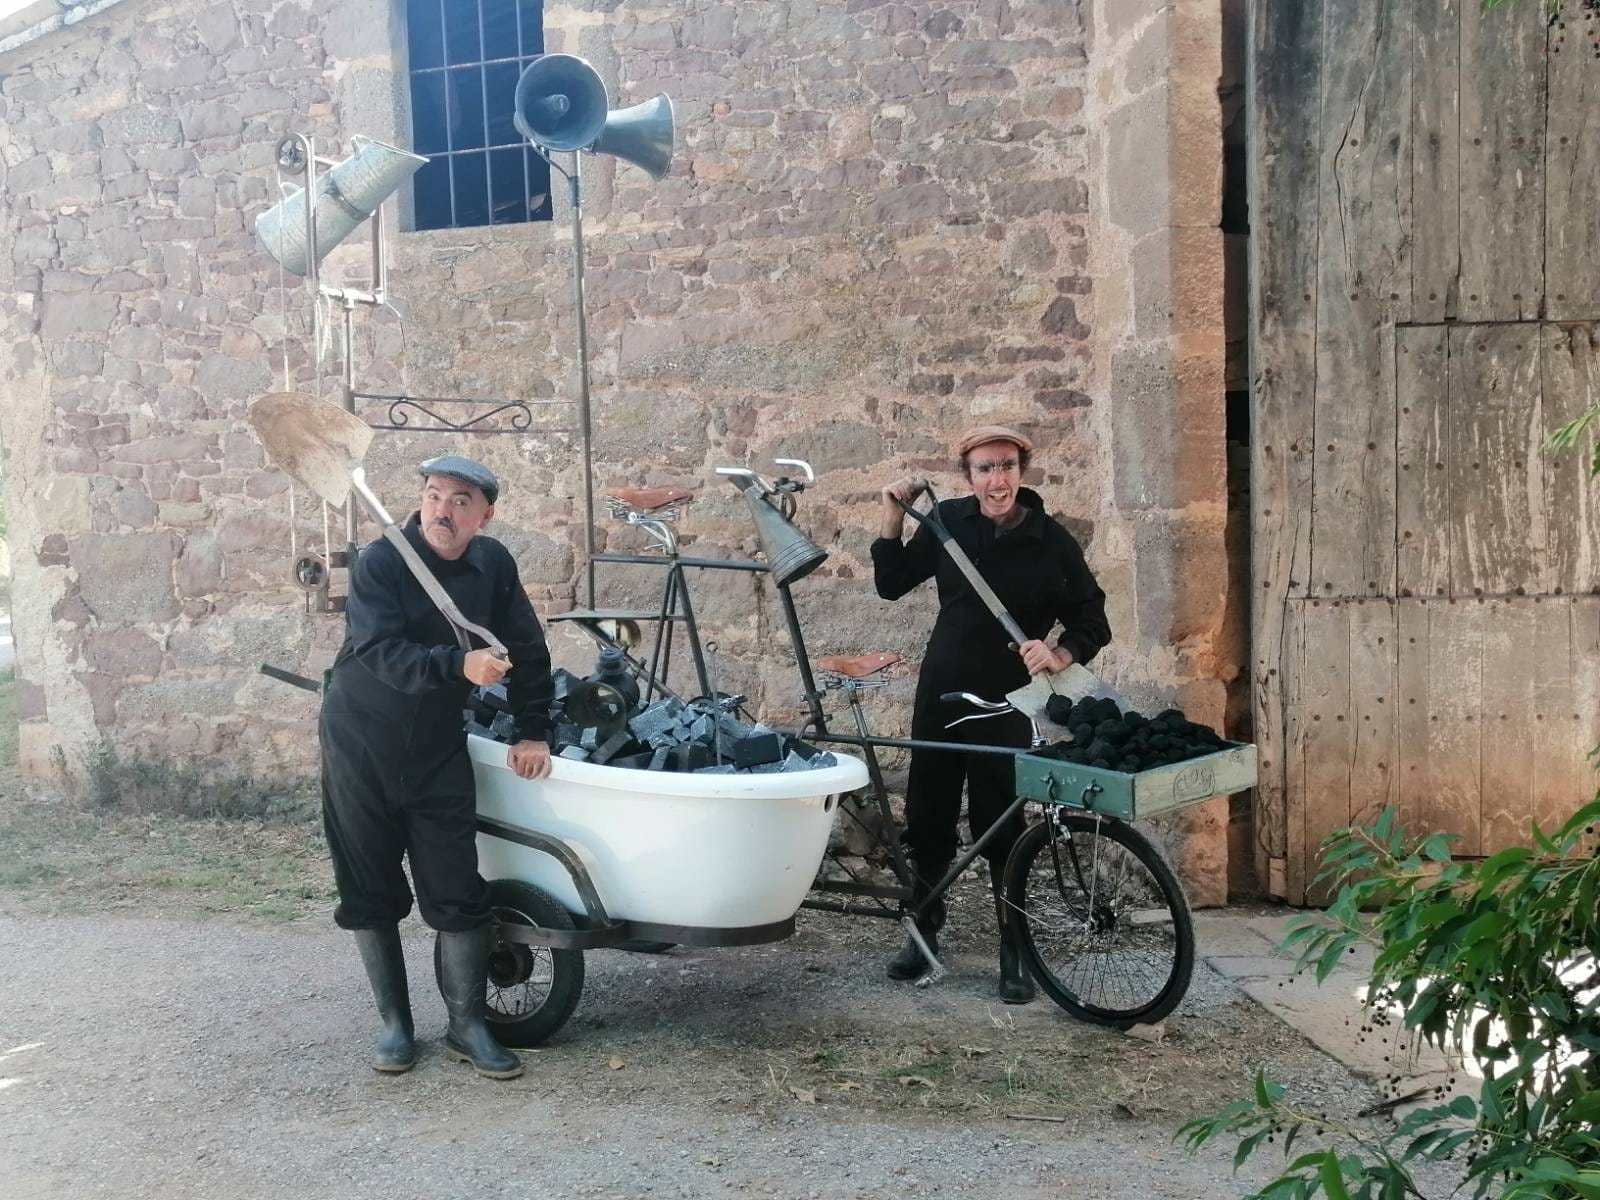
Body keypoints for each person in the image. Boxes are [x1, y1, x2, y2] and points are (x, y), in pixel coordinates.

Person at [319, 454, 555, 1079]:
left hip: (436, 747)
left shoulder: (493, 564)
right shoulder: (381, 562)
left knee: (456, 888)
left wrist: (534, 730)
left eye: (459, 501)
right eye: (433, 495)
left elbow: (527, 648)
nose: (441, 511)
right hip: (360, 742)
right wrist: (458, 666)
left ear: (485, 515)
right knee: (369, 887)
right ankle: (396, 1027)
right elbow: (377, 650)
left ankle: (467, 1026)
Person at [873, 425, 1112, 1003]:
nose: (996, 479)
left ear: (1021, 471)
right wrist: (892, 517)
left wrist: (1059, 654)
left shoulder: (1051, 541)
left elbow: (1092, 619)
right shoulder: (947, 521)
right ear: (969, 475)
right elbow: (891, 584)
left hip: (1009, 696)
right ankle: (923, 930)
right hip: (942, 688)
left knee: (999, 821)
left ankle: (1014, 945)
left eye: (1006, 466)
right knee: (928, 814)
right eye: (984, 468)